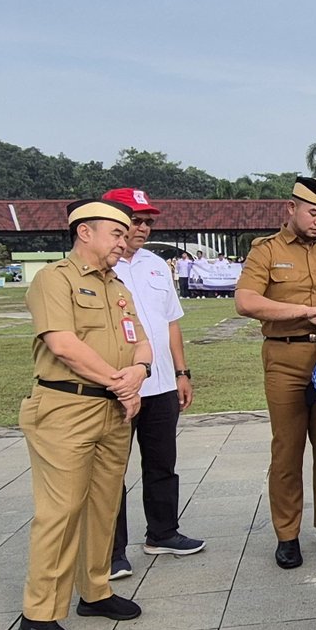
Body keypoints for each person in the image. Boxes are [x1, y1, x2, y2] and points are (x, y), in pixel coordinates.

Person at [15, 197, 151, 630]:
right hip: (66, 409)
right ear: (84, 232)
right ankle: (40, 614)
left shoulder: (118, 287)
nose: (124, 240)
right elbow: (62, 344)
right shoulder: (55, 280)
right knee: (61, 511)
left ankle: (95, 591)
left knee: (104, 505)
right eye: (116, 232)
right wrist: (122, 383)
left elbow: (142, 342)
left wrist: (140, 373)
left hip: (113, 410)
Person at [235, 177, 316, 569]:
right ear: (291, 209)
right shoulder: (266, 251)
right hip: (285, 358)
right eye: (313, 212)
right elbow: (246, 301)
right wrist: (303, 311)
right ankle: (287, 534)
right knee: (286, 451)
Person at [103, 189, 205, 581]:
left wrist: (182, 372)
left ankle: (163, 532)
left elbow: (171, 322)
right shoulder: (101, 268)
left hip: (160, 381)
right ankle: (111, 551)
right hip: (119, 384)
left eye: (148, 221)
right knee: (112, 470)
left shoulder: (156, 265)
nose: (142, 228)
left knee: (162, 463)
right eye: (135, 220)